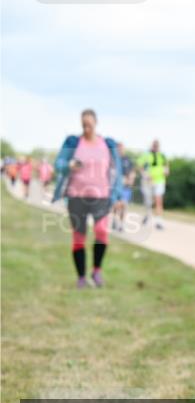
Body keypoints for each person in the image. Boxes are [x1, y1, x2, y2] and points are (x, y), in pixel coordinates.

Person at [52, 109, 124, 288]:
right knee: (79, 237)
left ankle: (97, 271)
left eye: (89, 124)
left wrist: (117, 196)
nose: (87, 128)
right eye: (84, 124)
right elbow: (58, 164)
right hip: (76, 196)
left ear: (96, 123)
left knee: (101, 232)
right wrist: (69, 164)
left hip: (101, 197)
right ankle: (81, 277)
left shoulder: (107, 144)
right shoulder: (73, 142)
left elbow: (118, 171)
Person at [138, 140, 169, 229]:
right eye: (154, 145)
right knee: (148, 201)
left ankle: (159, 220)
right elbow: (140, 165)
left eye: (157, 146)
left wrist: (166, 170)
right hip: (148, 181)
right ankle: (148, 215)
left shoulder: (162, 155)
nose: (156, 147)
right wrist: (145, 174)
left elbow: (166, 165)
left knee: (158, 199)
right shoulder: (146, 155)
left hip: (159, 180)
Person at [111, 143, 136, 232]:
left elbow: (132, 171)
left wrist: (131, 179)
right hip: (116, 186)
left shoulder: (127, 160)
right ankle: (114, 219)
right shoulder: (113, 160)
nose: (120, 150)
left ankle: (121, 224)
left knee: (124, 204)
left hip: (126, 186)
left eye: (122, 148)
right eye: (119, 148)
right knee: (116, 205)